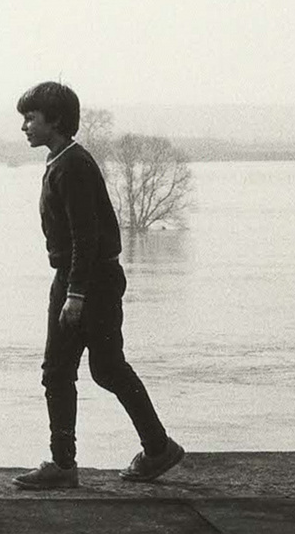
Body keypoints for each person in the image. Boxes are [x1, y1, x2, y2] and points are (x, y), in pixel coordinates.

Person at [12, 82, 184, 489]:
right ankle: (158, 449)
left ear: (54, 120)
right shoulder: (65, 160)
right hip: (94, 278)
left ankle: (64, 466)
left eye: (31, 118)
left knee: (60, 370)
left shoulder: (72, 166)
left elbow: (84, 236)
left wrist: (74, 294)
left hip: (86, 281)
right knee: (106, 368)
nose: (24, 127)